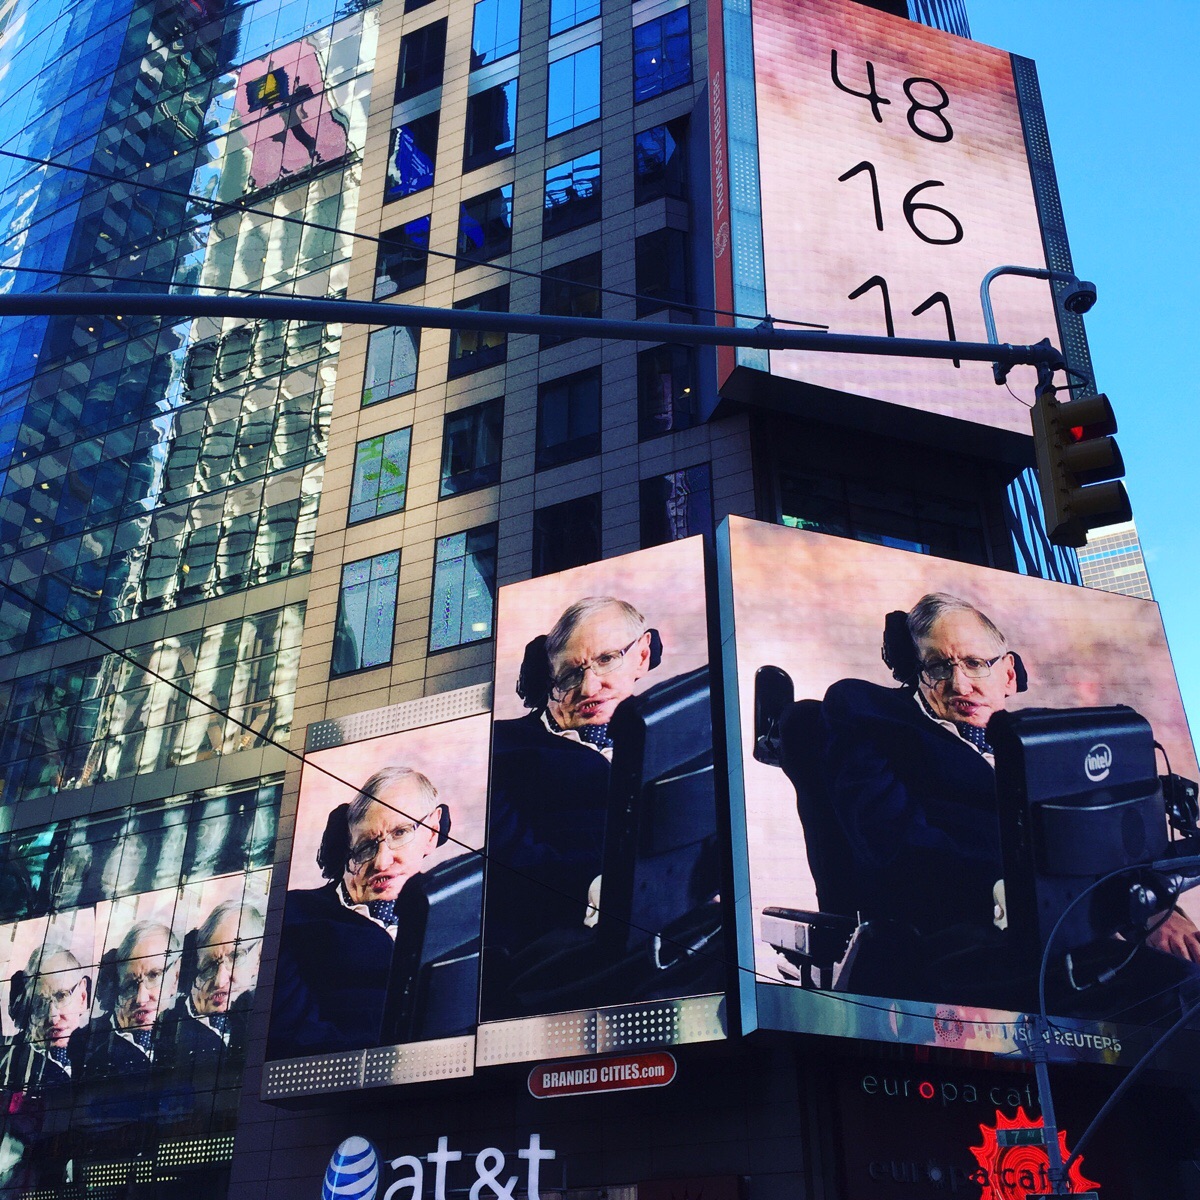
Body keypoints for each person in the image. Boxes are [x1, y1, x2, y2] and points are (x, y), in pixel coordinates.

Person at [809, 592, 1200, 1003]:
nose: (959, 684)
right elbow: (891, 844)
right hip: (962, 940)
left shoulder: (1049, 739)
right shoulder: (867, 711)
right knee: (1181, 992)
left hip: (1085, 928)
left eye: (976, 663)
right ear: (915, 672)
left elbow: (1099, 846)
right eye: (938, 667)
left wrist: (1155, 911)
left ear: (1009, 675)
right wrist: (1015, 894)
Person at [482, 597, 658, 1016]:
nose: (590, 688)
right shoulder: (497, 748)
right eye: (569, 675)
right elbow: (506, 857)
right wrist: (590, 884)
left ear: (643, 655)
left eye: (608, 660)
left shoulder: (676, 727)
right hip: (558, 945)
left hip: (673, 926)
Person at [267, 768, 446, 1060]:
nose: (382, 860)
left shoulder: (458, 910)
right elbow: (292, 1036)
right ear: (346, 850)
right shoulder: (292, 917)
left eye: (400, 833)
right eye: (365, 846)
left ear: (433, 832)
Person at [162, 901, 263, 1075]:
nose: (219, 980)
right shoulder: (170, 1022)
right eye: (209, 964)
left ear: (259, 956)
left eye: (236, 956)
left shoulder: (266, 1015)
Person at [69, 921, 181, 1079]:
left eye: (154, 975)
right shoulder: (96, 1055)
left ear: (176, 976)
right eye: (129, 985)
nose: (141, 999)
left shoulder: (187, 1034)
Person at [4, 946, 92, 1091]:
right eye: (39, 1002)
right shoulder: (7, 1063)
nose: (52, 1017)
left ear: (82, 996)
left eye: (62, 996)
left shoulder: (104, 1052)